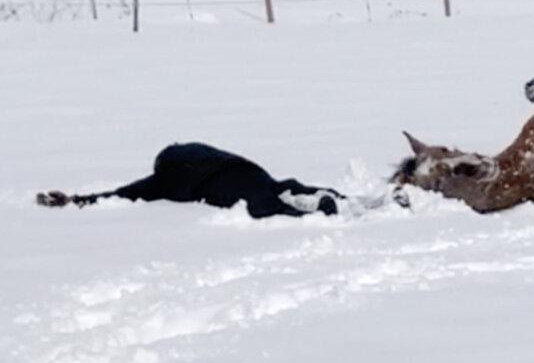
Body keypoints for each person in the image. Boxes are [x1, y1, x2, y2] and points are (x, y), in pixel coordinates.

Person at [37, 142, 363, 219]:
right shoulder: (200, 151)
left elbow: (123, 194)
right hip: (251, 171)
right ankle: (341, 199)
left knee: (264, 204)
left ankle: (317, 212)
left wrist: (77, 201)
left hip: (223, 186)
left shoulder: (163, 177)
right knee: (280, 187)